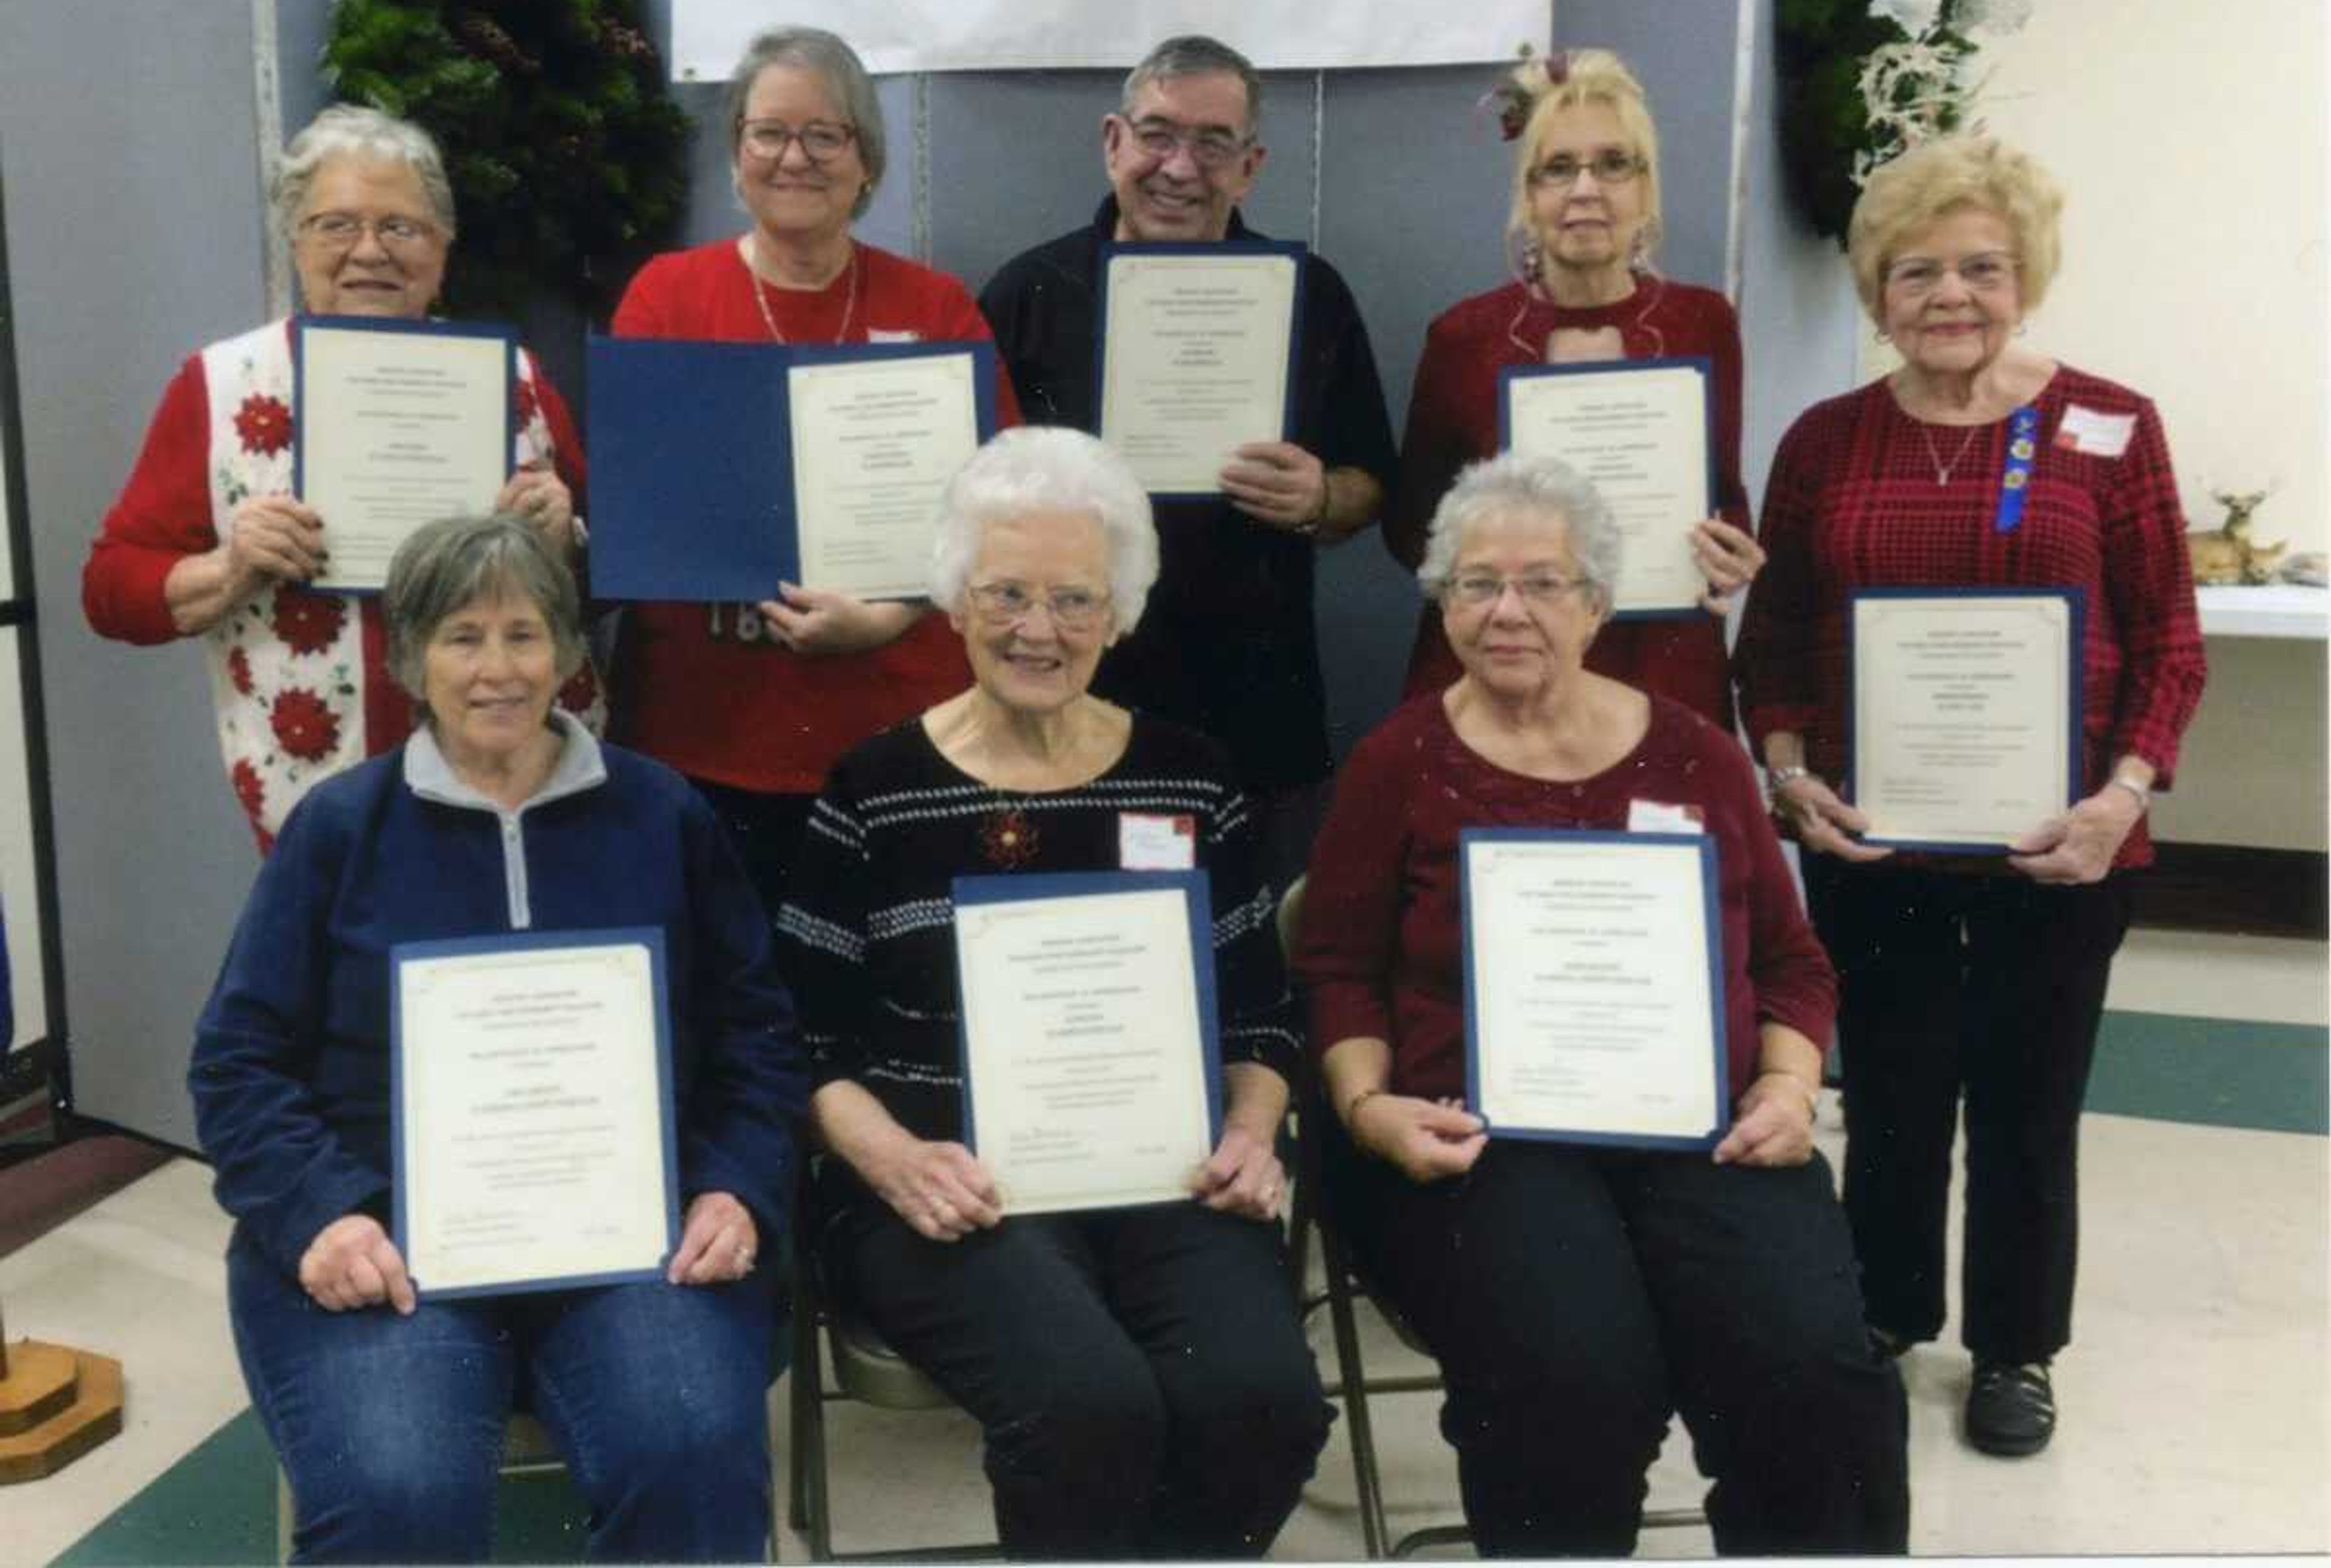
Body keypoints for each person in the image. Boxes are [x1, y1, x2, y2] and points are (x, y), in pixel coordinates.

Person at [1295, 455, 1907, 1558]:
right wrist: (1365, 1108)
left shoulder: (1698, 755)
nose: (1509, 611)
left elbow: (1790, 960)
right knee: (1572, 1371)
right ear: (1442, 606)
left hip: (1705, 1123)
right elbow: (1337, 966)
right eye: (1477, 584)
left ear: (1597, 606)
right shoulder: (1399, 761)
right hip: (1475, 1131)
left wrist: (1786, 1084)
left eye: (1543, 582)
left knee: (1811, 1368)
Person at [189, 515, 806, 1563]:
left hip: (632, 1241)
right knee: (400, 1491)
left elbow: (758, 1035)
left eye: (525, 634)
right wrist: (321, 1218)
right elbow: (237, 1062)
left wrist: (733, 1186)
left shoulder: (662, 813)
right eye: (462, 637)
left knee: (691, 1452)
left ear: (569, 653)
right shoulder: (340, 827)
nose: (497, 669)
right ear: (412, 658)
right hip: (388, 1243)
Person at [1734, 134, 2207, 1457]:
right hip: (1873, 848)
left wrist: (2120, 799)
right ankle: (1883, 1313)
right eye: (1918, 270)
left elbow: (2171, 640)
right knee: (1886, 1093)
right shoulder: (1826, 440)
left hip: (2065, 846)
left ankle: (2014, 1349)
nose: (1951, 294)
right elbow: (1772, 645)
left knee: (2027, 1104)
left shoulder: (2110, 425)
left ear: (2027, 278)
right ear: (1878, 292)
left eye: (1982, 268)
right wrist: (1786, 777)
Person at [779, 426, 1329, 1558]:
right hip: (944, 1184)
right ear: (954, 600)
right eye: (1009, 593)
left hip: (1165, 1171)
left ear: (1122, 613)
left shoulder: (1192, 774)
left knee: (1263, 1400)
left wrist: (1252, 1129)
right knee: (1088, 1405)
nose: (1040, 629)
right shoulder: (873, 789)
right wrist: (892, 1160)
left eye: (1076, 599)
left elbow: (1262, 1010)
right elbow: (799, 1038)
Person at [83, 106, 600, 852]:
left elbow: (610, 581)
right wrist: (231, 566)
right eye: (336, 224)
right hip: (320, 799)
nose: (370, 251)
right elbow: (110, 591)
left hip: (521, 785)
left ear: (443, 249)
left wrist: (567, 539)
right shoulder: (222, 386)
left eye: (401, 227)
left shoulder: (512, 379)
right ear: (296, 243)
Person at [611, 25, 1018, 916]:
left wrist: (891, 615)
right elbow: (641, 502)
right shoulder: (667, 298)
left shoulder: (937, 308)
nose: (794, 158)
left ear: (866, 160)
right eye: (768, 133)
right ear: (737, 154)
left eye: (825, 136)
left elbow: (999, 515)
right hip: (705, 734)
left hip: (895, 726)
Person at [979, 35, 1397, 886]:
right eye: (1157, 134)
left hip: (1256, 717)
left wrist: (1322, 496)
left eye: (1213, 144)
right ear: (1112, 142)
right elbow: (970, 504)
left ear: (1250, 166)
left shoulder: (1312, 295)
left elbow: (1372, 485)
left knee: (1258, 969)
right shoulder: (1028, 292)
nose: (1179, 166)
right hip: (1063, 706)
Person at [1383, 49, 1763, 727]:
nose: (1586, 189)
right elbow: (1412, 531)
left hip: (1661, 663)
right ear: (1528, 195)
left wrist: (1728, 550)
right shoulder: (1463, 337)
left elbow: (1724, 497)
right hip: (1502, 670)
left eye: (1614, 164)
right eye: (1558, 168)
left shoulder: (1703, 323)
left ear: (1646, 188)